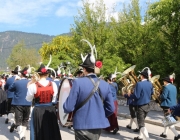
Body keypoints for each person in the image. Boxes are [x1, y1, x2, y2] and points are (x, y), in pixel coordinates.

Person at [63, 40, 115, 140]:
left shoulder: (78, 82)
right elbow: (111, 109)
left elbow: (69, 107)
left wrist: (63, 107)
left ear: (84, 69)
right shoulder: (105, 85)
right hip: (98, 125)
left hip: (81, 123)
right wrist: (100, 114)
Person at [26, 64, 62, 140]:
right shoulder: (53, 84)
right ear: (47, 74)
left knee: (39, 131)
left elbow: (28, 99)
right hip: (50, 109)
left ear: (38, 74)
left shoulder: (33, 86)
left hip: (38, 110)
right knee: (52, 130)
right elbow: (54, 98)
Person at [8, 67, 32, 139]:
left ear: (21, 74)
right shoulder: (30, 82)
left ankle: (21, 135)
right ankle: (22, 135)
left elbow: (10, 89)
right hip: (28, 103)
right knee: (25, 119)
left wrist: (15, 81)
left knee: (18, 120)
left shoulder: (17, 82)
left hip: (18, 103)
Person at [129, 70, 153, 140]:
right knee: (142, 121)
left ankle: (147, 138)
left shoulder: (139, 84)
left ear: (142, 76)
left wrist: (130, 95)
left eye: (140, 76)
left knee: (141, 124)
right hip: (148, 105)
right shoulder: (150, 84)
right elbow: (152, 93)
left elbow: (136, 96)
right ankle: (140, 136)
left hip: (141, 106)